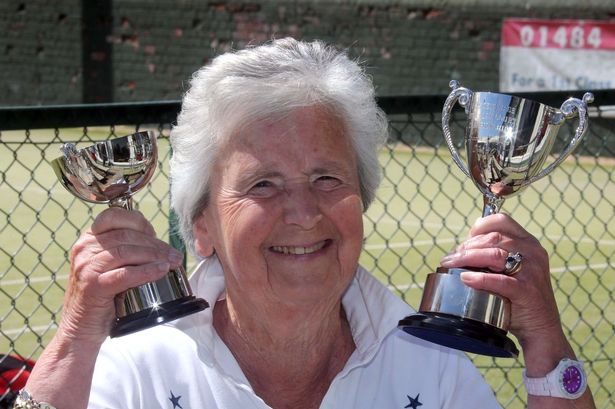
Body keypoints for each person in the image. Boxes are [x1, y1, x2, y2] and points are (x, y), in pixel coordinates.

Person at [18, 38, 595, 409]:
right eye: (262, 184)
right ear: (200, 227)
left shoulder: (427, 361)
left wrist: (546, 343)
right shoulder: (136, 366)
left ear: (361, 204)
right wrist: (72, 343)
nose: (303, 212)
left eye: (328, 179)